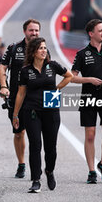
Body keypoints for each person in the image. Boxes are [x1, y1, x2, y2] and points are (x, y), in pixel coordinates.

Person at [12, 37, 73, 193]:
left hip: (51, 109)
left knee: (51, 147)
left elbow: (69, 76)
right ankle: (36, 180)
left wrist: (57, 89)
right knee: (35, 145)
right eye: (40, 48)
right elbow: (20, 93)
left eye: (45, 48)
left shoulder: (52, 66)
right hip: (31, 110)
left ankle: (49, 171)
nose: (44, 50)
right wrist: (15, 115)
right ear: (33, 52)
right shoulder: (25, 71)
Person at [71, 19, 102, 184]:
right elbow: (72, 77)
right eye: (100, 30)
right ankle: (91, 171)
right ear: (91, 34)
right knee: (90, 135)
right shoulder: (82, 54)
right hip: (88, 98)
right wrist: (89, 80)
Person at [0, 18, 41, 178]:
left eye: (36, 30)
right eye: (31, 30)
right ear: (25, 31)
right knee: (19, 133)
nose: (34, 33)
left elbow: (50, 73)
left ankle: (36, 168)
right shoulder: (13, 48)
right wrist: (4, 85)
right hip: (16, 99)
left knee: (35, 134)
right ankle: (21, 164)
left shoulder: (43, 50)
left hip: (36, 99)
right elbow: (2, 67)